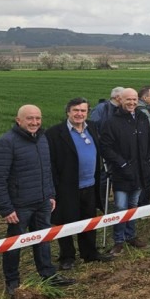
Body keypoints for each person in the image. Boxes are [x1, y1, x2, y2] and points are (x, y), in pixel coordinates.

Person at [0, 105, 75, 295]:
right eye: (30, 118)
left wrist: (51, 194)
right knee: (14, 244)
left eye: (38, 118)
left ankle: (48, 275)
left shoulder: (42, 139)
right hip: (19, 206)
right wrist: (5, 208)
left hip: (43, 201)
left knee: (43, 240)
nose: (34, 122)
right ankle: (12, 283)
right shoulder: (6, 143)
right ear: (18, 120)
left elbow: (47, 170)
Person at [46, 98, 113, 269]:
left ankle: (90, 253)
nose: (79, 114)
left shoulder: (93, 128)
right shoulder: (55, 133)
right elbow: (51, 164)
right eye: (75, 110)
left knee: (89, 220)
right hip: (67, 187)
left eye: (83, 111)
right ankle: (67, 257)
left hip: (90, 184)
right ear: (68, 112)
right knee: (66, 222)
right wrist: (52, 189)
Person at [100, 88, 150, 255]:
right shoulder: (111, 122)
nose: (132, 103)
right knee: (121, 207)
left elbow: (149, 142)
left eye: (134, 99)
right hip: (122, 172)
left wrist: (148, 160)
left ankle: (131, 235)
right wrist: (122, 164)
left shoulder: (142, 118)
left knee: (133, 205)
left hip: (140, 171)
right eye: (128, 100)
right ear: (120, 100)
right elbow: (106, 148)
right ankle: (118, 240)